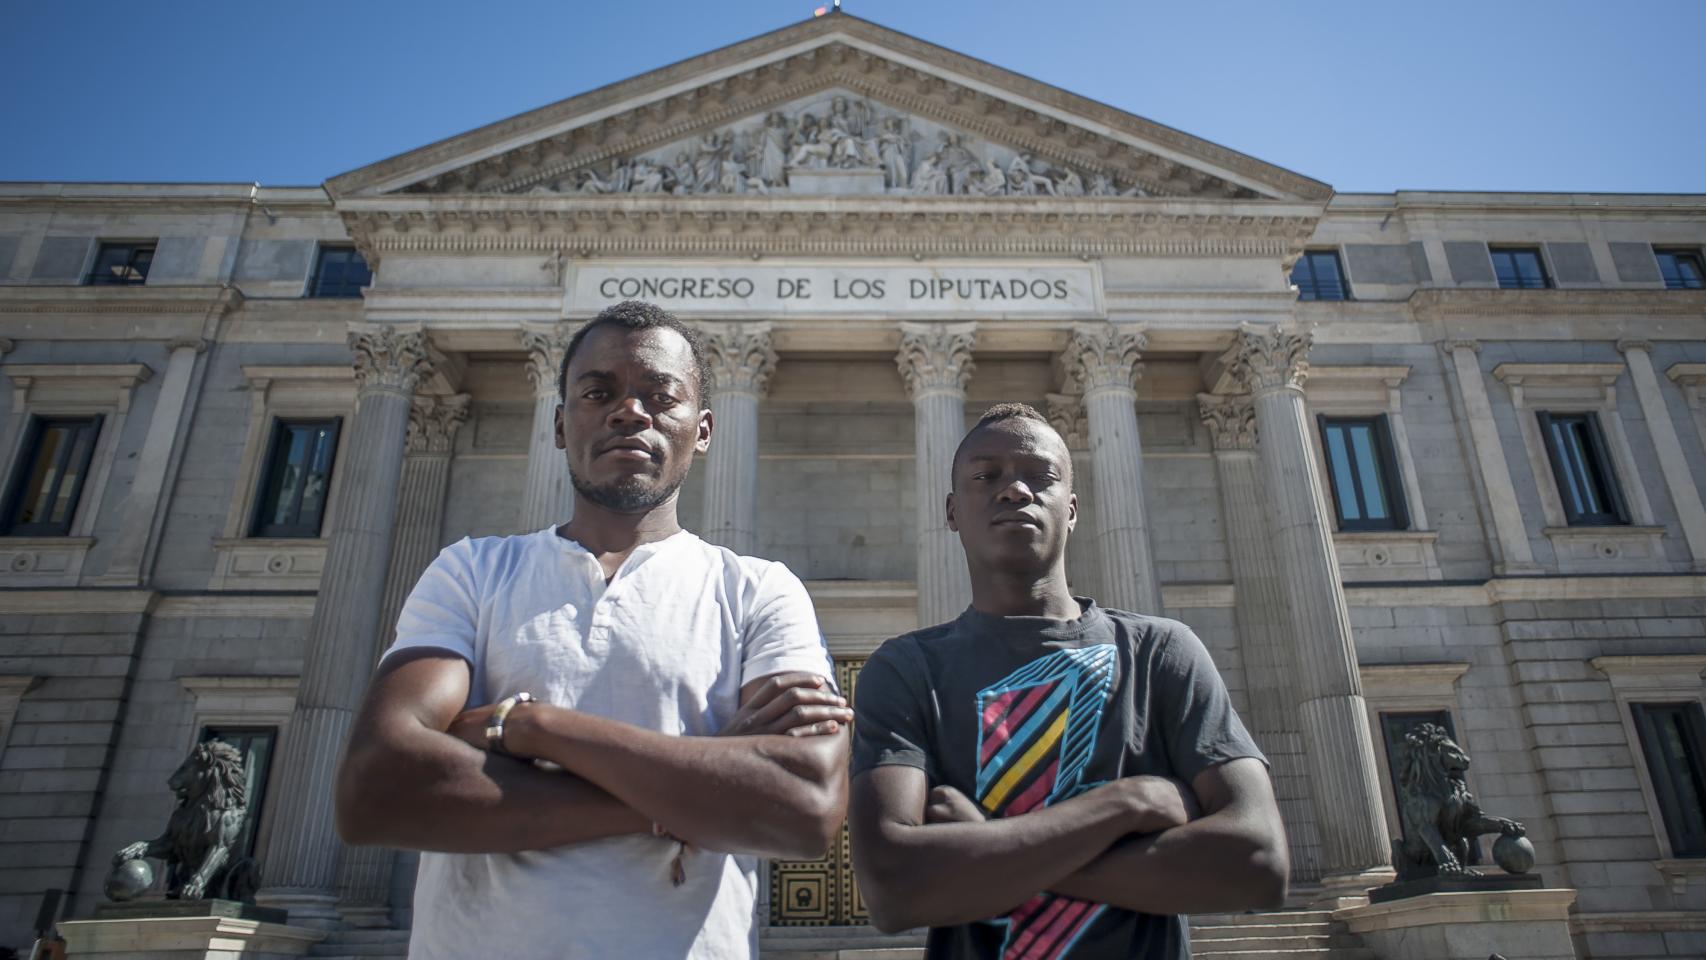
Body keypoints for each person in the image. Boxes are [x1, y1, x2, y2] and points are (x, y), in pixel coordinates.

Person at [335, 300, 852, 960]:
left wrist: (531, 727)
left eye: (660, 396)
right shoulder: (470, 571)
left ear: (703, 429)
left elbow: (804, 807)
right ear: (558, 424)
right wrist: (699, 794)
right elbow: (374, 792)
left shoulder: (758, 591)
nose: (628, 411)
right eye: (598, 392)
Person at [847, 403, 1287, 959]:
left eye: (1040, 477)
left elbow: (1259, 864)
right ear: (953, 512)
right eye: (987, 476)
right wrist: (1126, 804)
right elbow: (893, 891)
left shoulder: (1160, 653)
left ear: (1072, 509)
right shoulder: (907, 669)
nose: (1014, 492)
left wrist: (986, 846)